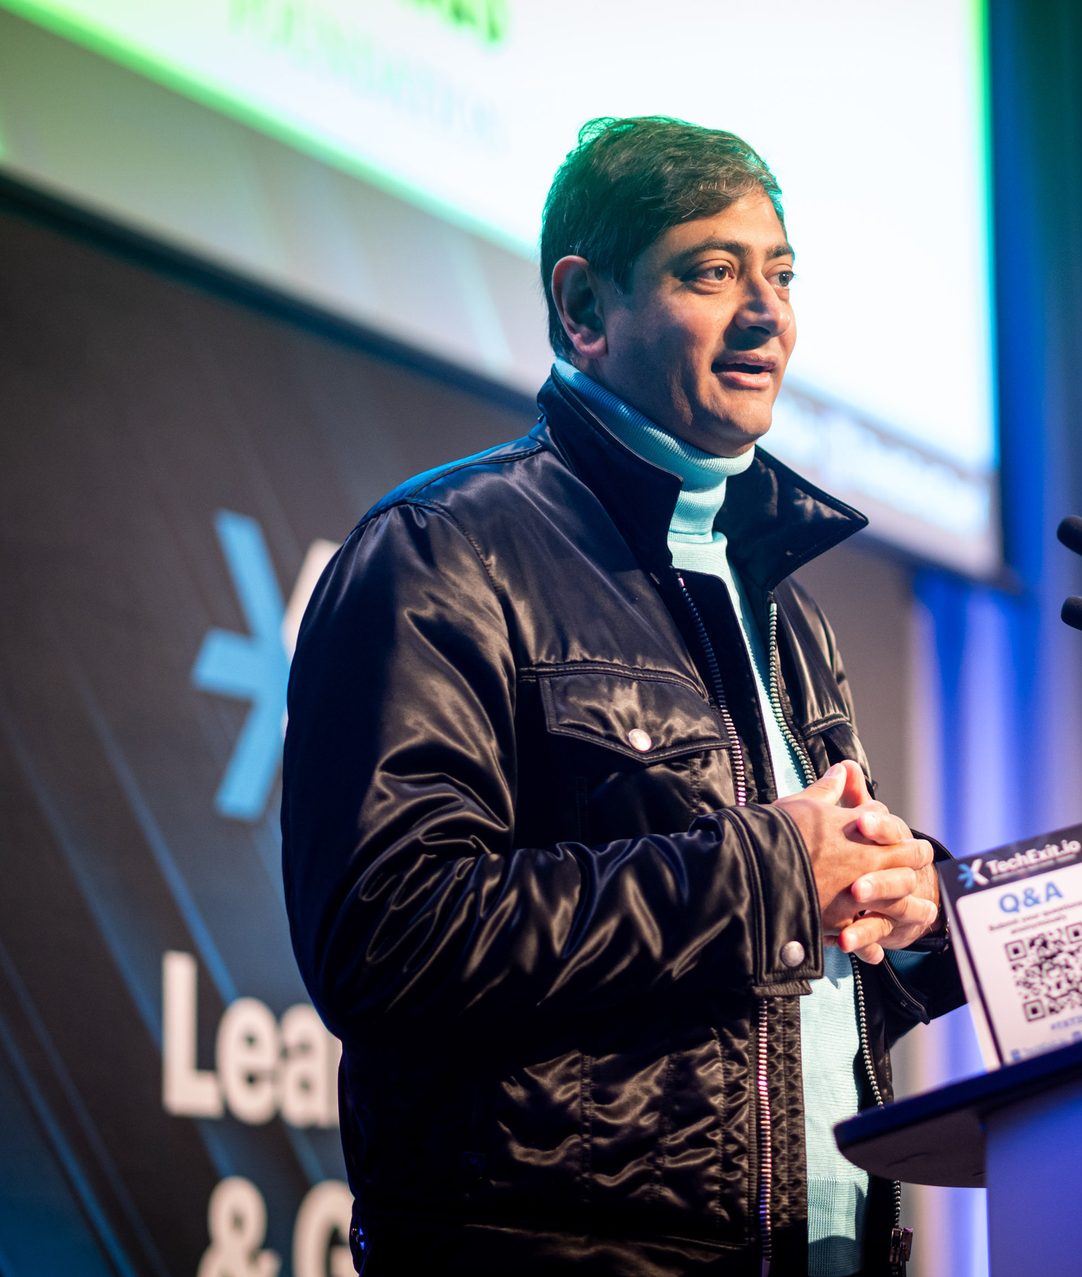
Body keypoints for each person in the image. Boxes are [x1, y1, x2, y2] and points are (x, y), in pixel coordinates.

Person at [281, 115, 963, 1277]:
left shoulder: (783, 609)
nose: (769, 314)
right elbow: (387, 934)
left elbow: (763, 1003)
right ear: (584, 308)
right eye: (713, 271)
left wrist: (905, 920)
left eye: (782, 274)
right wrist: (769, 868)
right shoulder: (446, 551)